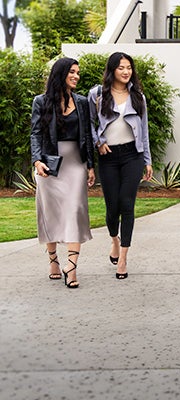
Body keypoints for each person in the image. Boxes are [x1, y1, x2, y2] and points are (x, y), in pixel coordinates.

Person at [30, 57, 96, 289]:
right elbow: (36, 133)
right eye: (72, 72)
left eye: (78, 72)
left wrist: (90, 165)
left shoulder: (82, 101)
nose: (76, 76)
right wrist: (37, 160)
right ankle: (53, 262)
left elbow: (87, 134)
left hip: (75, 163)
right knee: (51, 213)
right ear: (61, 73)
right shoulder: (41, 101)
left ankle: (72, 266)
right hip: (49, 164)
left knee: (75, 210)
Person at [89, 52, 153, 280]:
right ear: (112, 70)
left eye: (129, 68)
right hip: (108, 157)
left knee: (127, 204)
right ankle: (114, 240)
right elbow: (90, 124)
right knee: (111, 207)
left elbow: (143, 130)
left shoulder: (138, 98)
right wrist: (99, 141)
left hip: (131, 156)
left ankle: (124, 258)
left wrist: (147, 160)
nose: (126, 72)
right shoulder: (97, 94)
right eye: (121, 68)